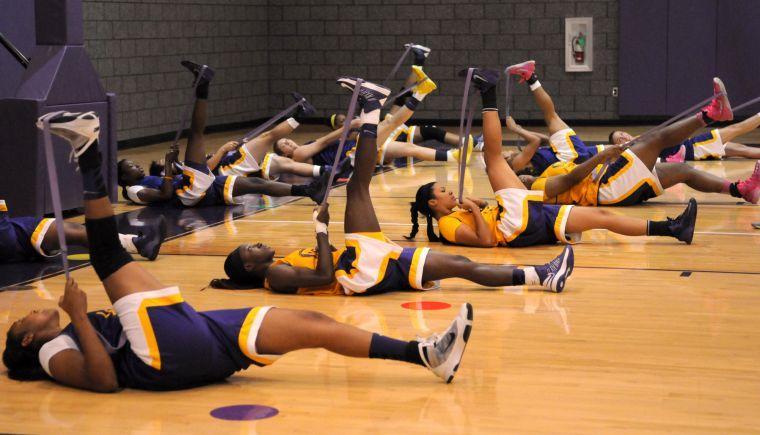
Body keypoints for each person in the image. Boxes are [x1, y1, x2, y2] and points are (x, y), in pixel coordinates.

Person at [1, 109, 474, 391]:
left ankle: (422, 353)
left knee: (314, 325)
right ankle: (88, 153)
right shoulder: (50, 354)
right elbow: (104, 382)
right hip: (160, 357)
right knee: (106, 258)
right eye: (18, 325)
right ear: (27, 340)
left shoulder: (57, 342)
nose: (17, 318)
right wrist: (79, 315)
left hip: (189, 334)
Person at [217, 77, 576, 295]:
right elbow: (326, 274)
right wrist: (322, 230)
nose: (257, 243)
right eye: (249, 249)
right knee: (359, 186)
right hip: (357, 270)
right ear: (249, 267)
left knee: (460, 264)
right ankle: (371, 105)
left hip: (371, 264)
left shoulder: (281, 265)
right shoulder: (276, 275)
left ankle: (538, 275)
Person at [409, 68, 698, 247]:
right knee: (493, 158)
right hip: (514, 225)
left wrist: (478, 205)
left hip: (528, 218)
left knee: (603, 217)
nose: (449, 193)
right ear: (433, 204)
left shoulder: (456, 214)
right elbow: (485, 242)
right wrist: (473, 208)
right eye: (444, 191)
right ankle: (489, 91)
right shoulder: (447, 225)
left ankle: (672, 229)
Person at [507, 61, 760, 205]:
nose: (509, 160)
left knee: (684, 171)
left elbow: (545, 133)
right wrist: (605, 156)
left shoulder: (541, 170)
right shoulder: (538, 185)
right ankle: (711, 114)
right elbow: (571, 179)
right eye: (518, 178)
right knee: (656, 139)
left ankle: (741, 190)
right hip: (604, 185)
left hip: (603, 174)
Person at [117, 61, 328, 207]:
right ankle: (203, 85)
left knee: (256, 185)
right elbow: (165, 194)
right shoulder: (133, 190)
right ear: (123, 179)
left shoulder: (148, 179)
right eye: (130, 167)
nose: (136, 166)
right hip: (189, 191)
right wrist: (170, 165)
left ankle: (309, 191)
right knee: (196, 135)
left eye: (133, 163)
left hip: (199, 188)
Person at [275, 67, 473, 168]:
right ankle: (409, 94)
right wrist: (349, 125)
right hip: (353, 158)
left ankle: (421, 94)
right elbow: (326, 139)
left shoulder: (303, 149)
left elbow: (332, 142)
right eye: (285, 144)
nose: (290, 143)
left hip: (356, 148)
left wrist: (351, 131)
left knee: (393, 125)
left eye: (287, 140)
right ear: (284, 154)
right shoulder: (299, 156)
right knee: (396, 127)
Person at [0, 197, 164, 262]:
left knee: (75, 231)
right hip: (10, 235)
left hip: (15, 233)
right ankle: (137, 244)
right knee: (75, 232)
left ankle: (135, 243)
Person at [610, 112, 760, 161]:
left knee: (742, 150)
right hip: (695, 148)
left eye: (622, 134)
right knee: (735, 128)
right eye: (619, 140)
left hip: (695, 147)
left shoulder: (639, 138)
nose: (623, 138)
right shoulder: (635, 149)